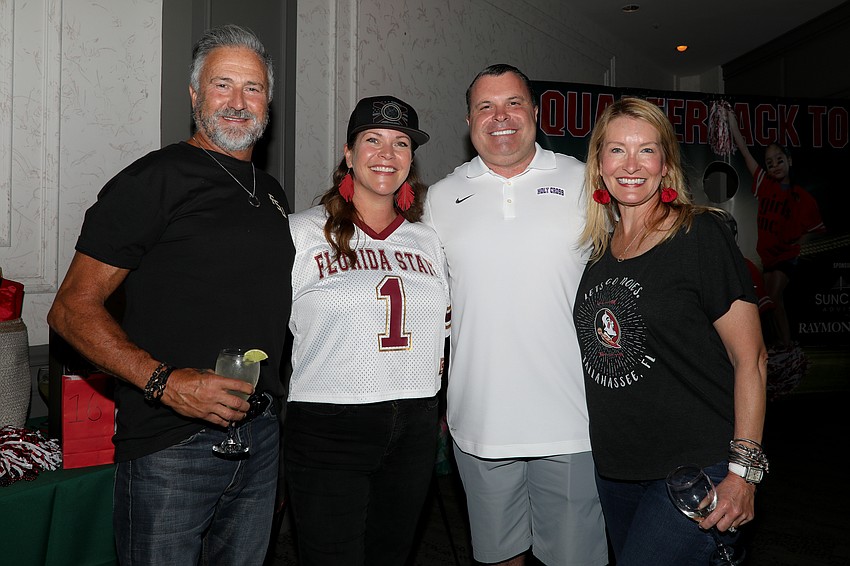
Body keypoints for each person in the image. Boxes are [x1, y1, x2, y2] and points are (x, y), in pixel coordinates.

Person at [47, 24, 293, 565]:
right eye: (221, 85)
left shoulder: (272, 194)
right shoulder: (154, 179)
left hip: (260, 438)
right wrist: (164, 382)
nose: (236, 102)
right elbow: (70, 309)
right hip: (170, 444)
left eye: (251, 88)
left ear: (268, 102)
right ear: (193, 95)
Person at [423, 64, 608, 566]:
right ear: (468, 120)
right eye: (485, 106)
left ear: (536, 112)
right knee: (500, 558)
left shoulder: (586, 182)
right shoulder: (440, 198)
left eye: (513, 103)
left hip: (572, 419)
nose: (500, 117)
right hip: (479, 421)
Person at [574, 96, 769, 565]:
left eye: (647, 150)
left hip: (695, 468)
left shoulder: (700, 235)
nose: (631, 164)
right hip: (617, 469)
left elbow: (752, 359)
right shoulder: (598, 254)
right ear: (599, 165)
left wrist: (744, 473)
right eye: (617, 150)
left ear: (666, 164)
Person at [283, 95, 451, 566]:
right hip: (329, 423)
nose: (387, 154)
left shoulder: (430, 239)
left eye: (401, 144)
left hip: (416, 423)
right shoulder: (300, 233)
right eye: (372, 140)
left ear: (411, 161)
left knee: (390, 556)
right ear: (349, 153)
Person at [725, 109, 825, 347]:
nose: (775, 165)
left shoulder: (802, 198)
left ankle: (783, 343)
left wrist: (798, 245)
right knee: (769, 300)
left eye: (779, 160)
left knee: (772, 296)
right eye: (770, 162)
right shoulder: (765, 184)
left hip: (786, 257)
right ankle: (780, 343)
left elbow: (818, 231)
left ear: (789, 161)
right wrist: (732, 123)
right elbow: (746, 153)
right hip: (766, 257)